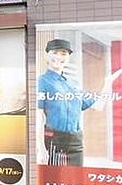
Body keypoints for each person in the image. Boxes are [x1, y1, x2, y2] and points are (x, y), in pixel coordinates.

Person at [37, 38, 122, 166]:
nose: (59, 57)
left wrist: (107, 83)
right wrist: (41, 148)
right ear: (46, 56)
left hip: (76, 142)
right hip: (55, 141)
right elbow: (38, 117)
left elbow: (98, 106)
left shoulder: (72, 85)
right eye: (54, 53)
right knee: (58, 177)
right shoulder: (42, 81)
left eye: (63, 54)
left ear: (68, 58)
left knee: (75, 177)